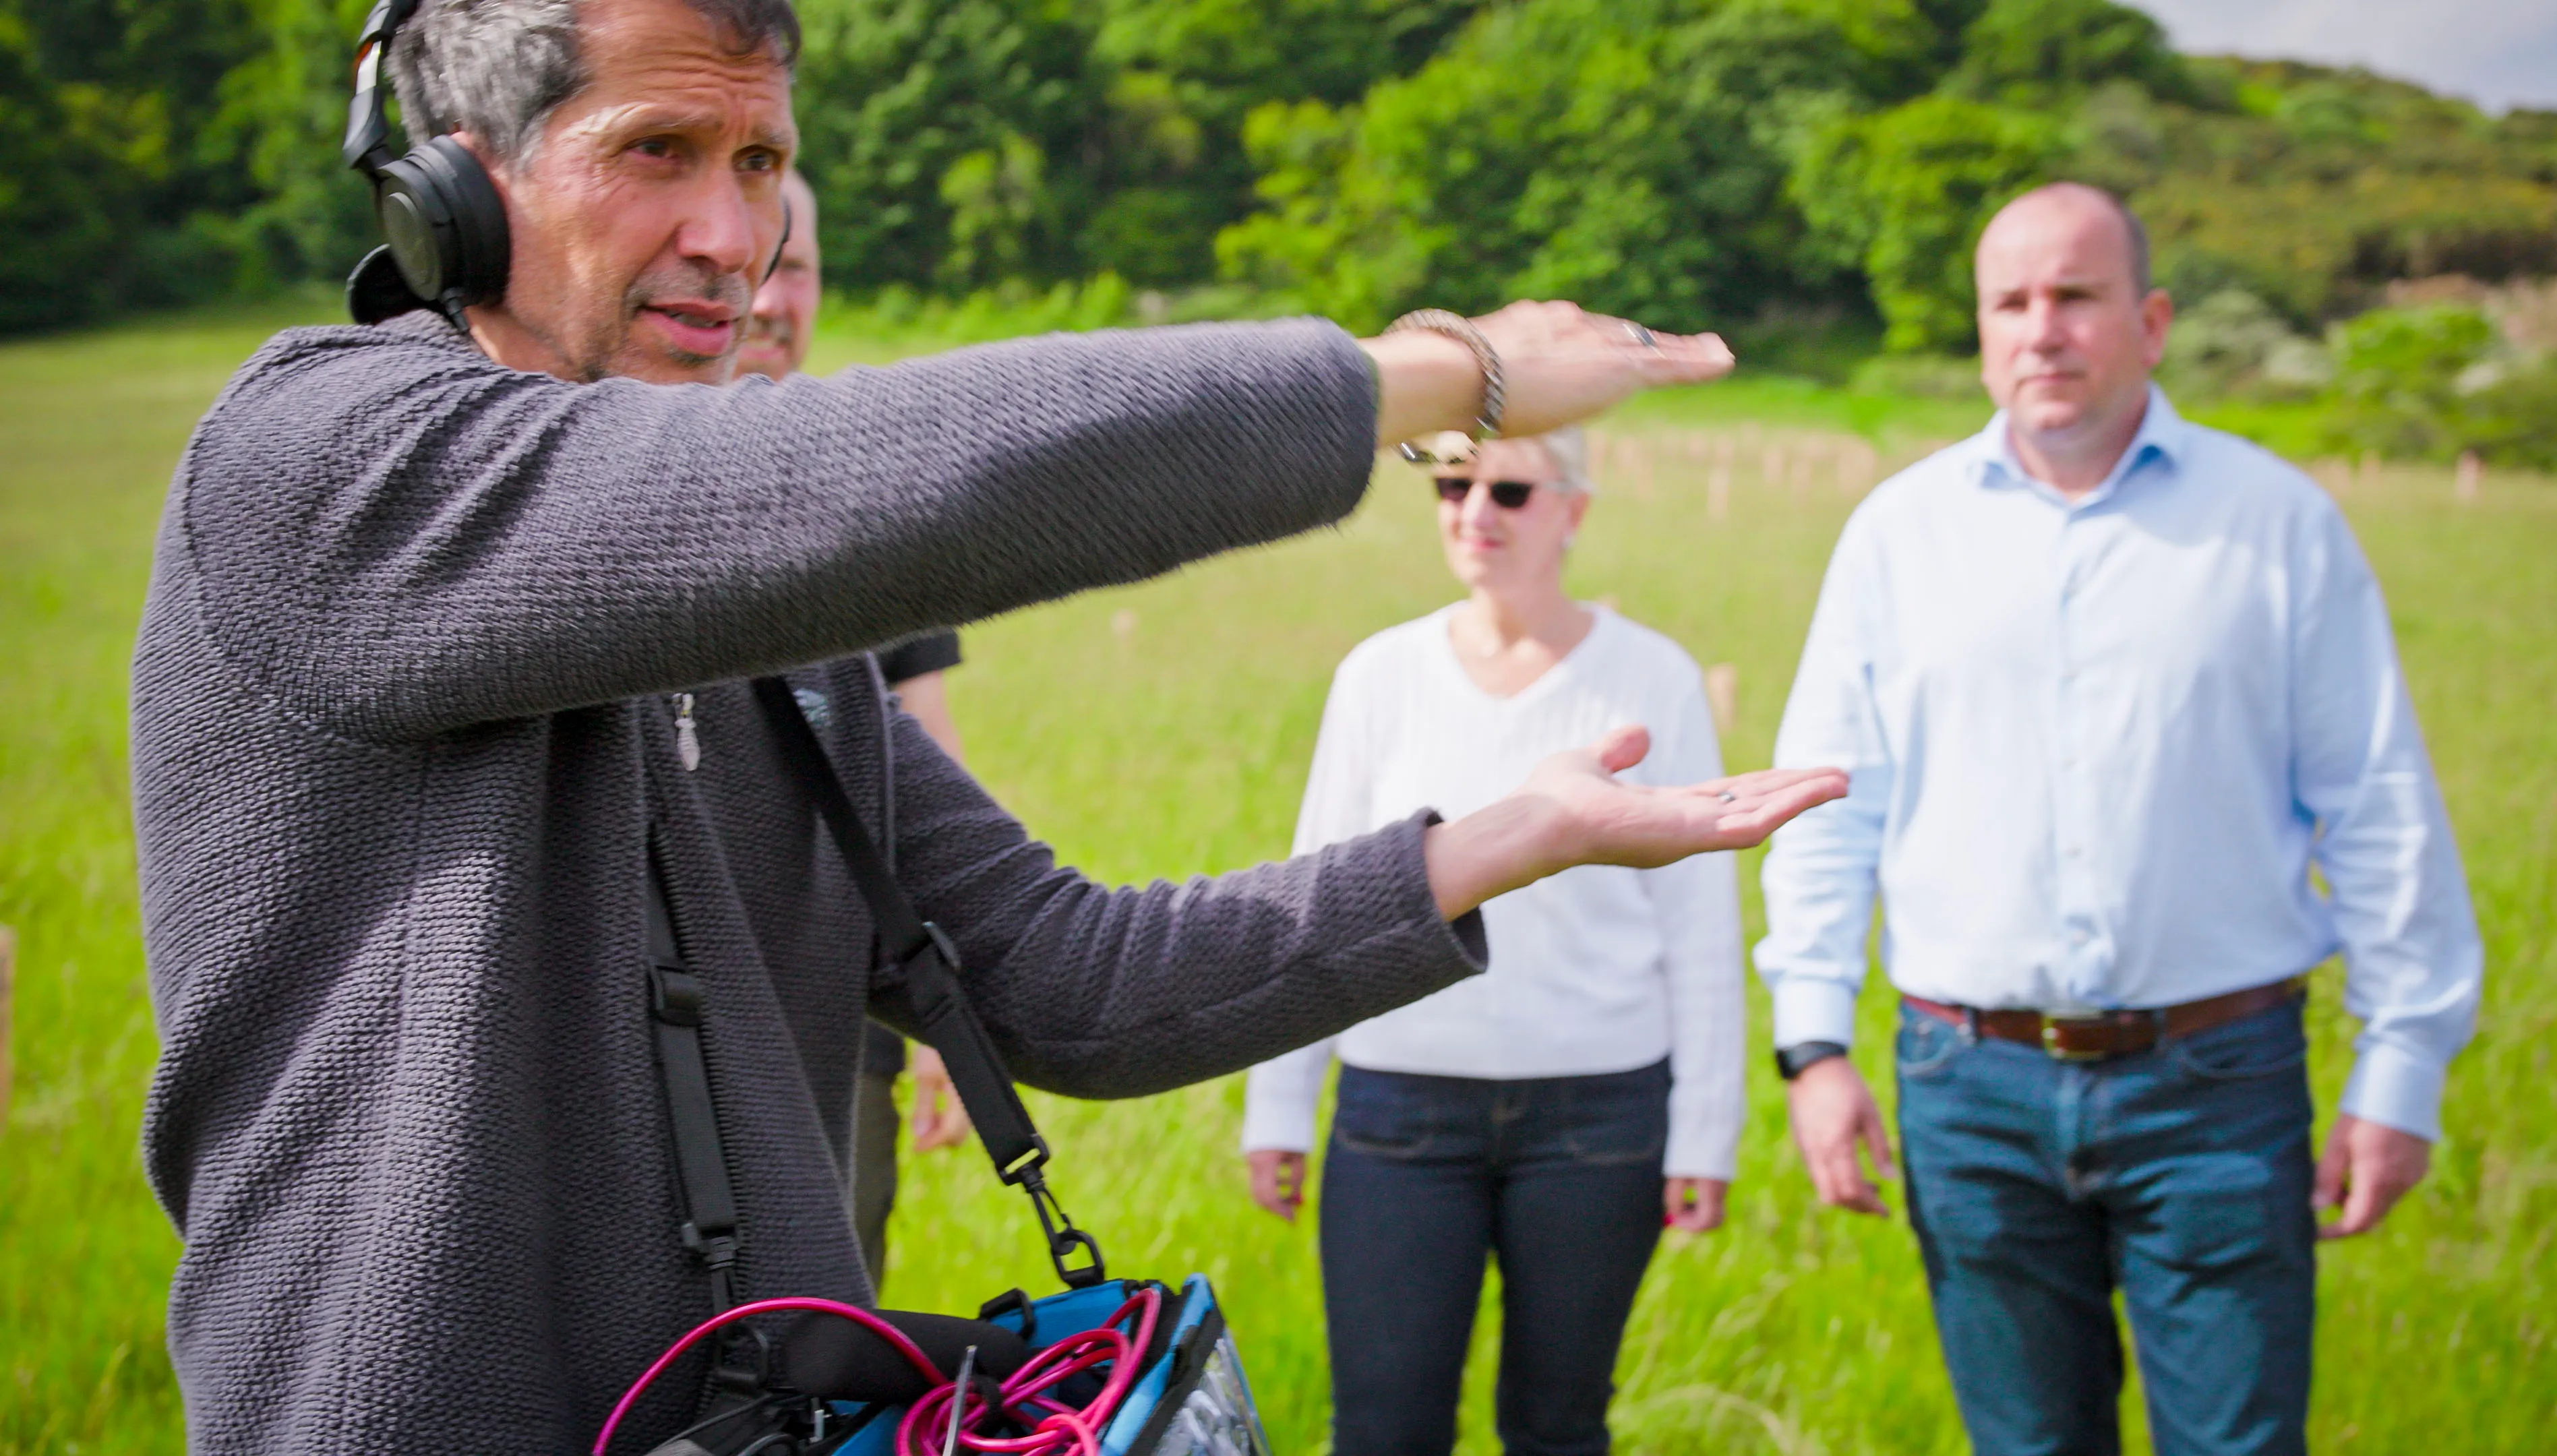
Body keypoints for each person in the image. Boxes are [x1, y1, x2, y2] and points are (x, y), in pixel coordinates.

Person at [129, 0, 1848, 1450]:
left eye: (761, 163)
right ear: (457, 186)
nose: (737, 244)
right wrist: (1429, 376)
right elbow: (851, 490)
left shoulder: (773, 649)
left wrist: (1507, 839)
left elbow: (1070, 980)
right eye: (659, 152)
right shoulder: (319, 470)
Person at [1754, 182, 2481, 1456]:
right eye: (2011, 302)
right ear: (1982, 332)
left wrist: (2404, 1061)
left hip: (2219, 1092)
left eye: (2075, 296)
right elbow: (1828, 802)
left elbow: (2376, 799)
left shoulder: (2276, 525)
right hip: (1967, 1091)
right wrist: (1813, 1046)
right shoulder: (1897, 539)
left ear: (2149, 322)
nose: (2042, 330)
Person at [1241, 429, 1740, 1456]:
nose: (1477, 512)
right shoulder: (1380, 674)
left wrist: (1706, 1130)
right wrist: (1280, 1104)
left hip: (1600, 1115)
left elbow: (1699, 922)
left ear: (1576, 510)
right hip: (1398, 1113)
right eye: (1454, 485)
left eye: (1511, 490)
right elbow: (1317, 894)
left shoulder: (1655, 677)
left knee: (1560, 1427)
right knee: (1384, 1430)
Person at [738, 169, 972, 1289]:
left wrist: (944, 1000)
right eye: (755, 265)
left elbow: (929, 741)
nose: (773, 298)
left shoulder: (873, 496)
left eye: (797, 266)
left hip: (845, 1008)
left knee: (835, 1319)